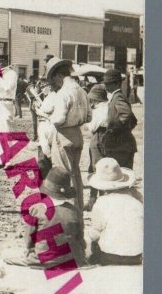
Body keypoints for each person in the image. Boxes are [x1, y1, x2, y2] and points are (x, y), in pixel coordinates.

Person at [36, 58, 91, 216]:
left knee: (63, 174)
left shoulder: (63, 93)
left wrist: (47, 115)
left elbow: (59, 119)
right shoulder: (81, 91)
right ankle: (78, 207)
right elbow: (89, 116)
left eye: (53, 79)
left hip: (63, 134)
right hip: (77, 134)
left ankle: (68, 211)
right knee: (76, 173)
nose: (54, 83)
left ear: (59, 75)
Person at [5, 167, 86, 268]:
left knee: (9, 260)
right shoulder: (74, 210)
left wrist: (30, 251)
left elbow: (29, 239)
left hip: (43, 260)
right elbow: (80, 238)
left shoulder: (37, 209)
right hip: (72, 260)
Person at [85, 158, 143, 265]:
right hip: (136, 255)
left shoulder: (102, 202)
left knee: (92, 236)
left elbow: (95, 234)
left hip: (110, 255)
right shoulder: (137, 202)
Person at [101, 68, 138, 169]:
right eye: (106, 83)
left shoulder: (118, 97)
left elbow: (128, 115)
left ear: (117, 84)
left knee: (121, 177)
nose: (106, 86)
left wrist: (114, 130)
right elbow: (133, 120)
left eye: (109, 83)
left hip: (120, 146)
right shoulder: (116, 97)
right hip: (121, 145)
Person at [0, 55, 18, 168]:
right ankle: (0, 159)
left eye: (0, 62)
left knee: (6, 131)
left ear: (6, 61)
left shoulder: (12, 74)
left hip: (7, 103)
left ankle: (9, 161)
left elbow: (7, 87)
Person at [86, 84, 109, 210]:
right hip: (106, 138)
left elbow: (92, 127)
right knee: (102, 167)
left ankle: (94, 199)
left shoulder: (99, 110)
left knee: (95, 168)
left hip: (98, 136)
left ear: (95, 99)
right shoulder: (108, 107)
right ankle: (99, 198)